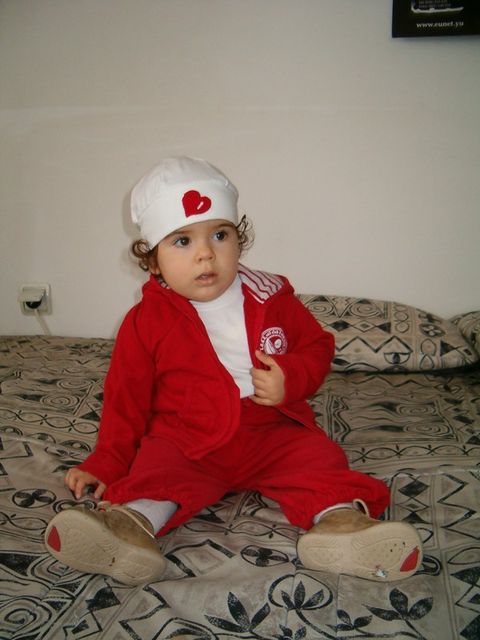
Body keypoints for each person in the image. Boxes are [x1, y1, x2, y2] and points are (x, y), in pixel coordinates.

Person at [44, 156, 422, 586]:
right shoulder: (145, 322)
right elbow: (125, 399)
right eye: (182, 241)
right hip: (187, 437)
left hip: (271, 429)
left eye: (219, 235)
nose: (205, 253)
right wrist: (107, 461)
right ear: (153, 262)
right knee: (157, 469)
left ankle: (341, 525)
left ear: (239, 242)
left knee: (318, 457)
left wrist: (291, 376)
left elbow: (317, 346)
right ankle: (130, 528)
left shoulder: (271, 298)